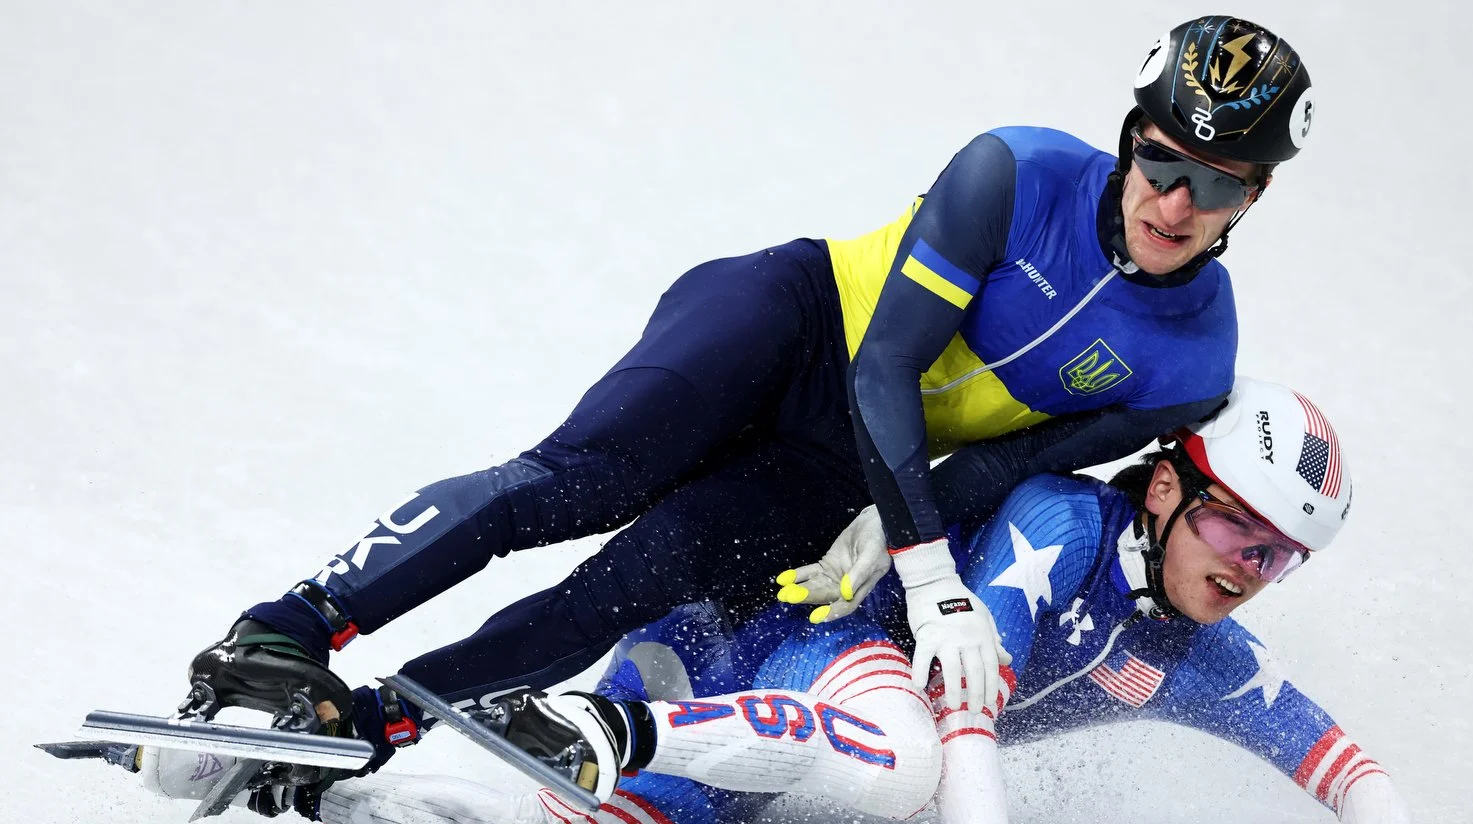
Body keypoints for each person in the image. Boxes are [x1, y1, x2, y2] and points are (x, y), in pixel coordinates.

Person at [186, 16, 1320, 775]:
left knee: (628, 582)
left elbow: (1010, 463)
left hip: (849, 467)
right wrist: (930, 574)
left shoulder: (1191, 365)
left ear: (1255, 199)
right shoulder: (1012, 170)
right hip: (795, 324)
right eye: (1162, 161)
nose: (1174, 202)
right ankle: (287, 632)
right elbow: (884, 362)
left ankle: (377, 713)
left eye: (1215, 184)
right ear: (1130, 139)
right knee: (579, 484)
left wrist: (891, 526)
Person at [115, 379, 1473, 824]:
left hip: (760, 727)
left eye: (1281, 558)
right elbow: (964, 723)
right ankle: (608, 720)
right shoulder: (1063, 532)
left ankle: (282, 782)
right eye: (1240, 529)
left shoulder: (1199, 651)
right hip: (764, 637)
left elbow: (1333, 754)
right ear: (1172, 483)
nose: (1251, 570)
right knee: (908, 765)